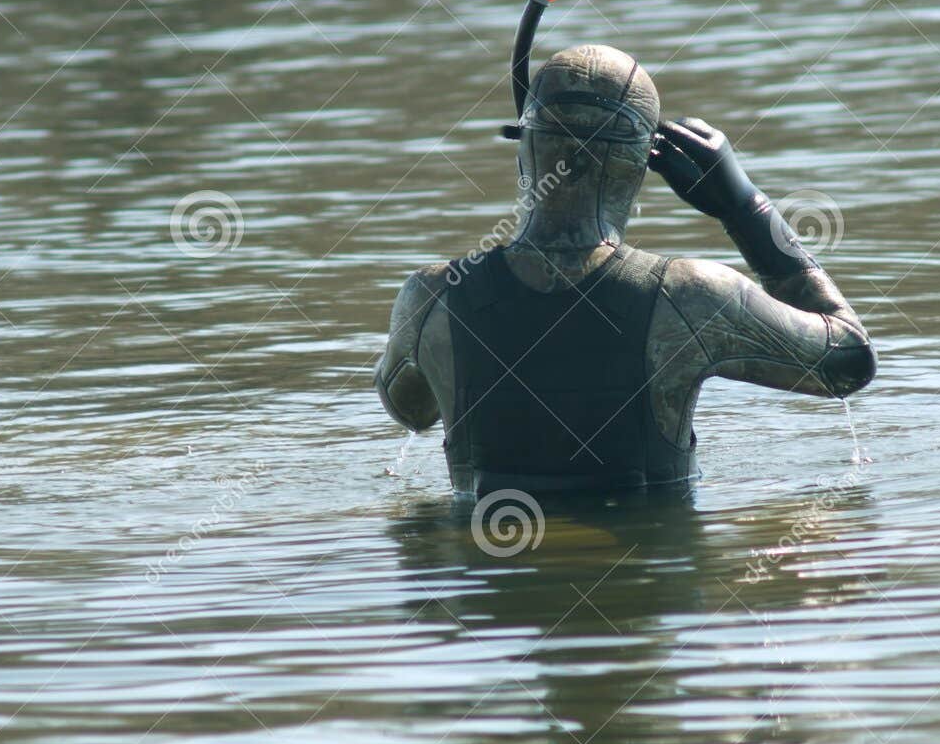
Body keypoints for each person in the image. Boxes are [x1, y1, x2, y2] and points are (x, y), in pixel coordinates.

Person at [374, 43, 875, 498]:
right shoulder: (693, 298)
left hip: (489, 578)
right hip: (653, 580)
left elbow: (411, 412)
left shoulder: (432, 297)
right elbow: (847, 362)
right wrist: (746, 208)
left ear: (524, 146)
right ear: (642, 163)